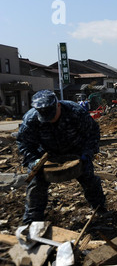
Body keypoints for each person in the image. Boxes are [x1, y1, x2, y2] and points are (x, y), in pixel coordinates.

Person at [17, 90, 106, 224]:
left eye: (52, 115)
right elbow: (24, 144)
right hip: (46, 155)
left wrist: (87, 153)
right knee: (36, 185)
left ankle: (100, 210)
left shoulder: (75, 112)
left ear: (58, 105)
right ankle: (32, 222)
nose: (50, 119)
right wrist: (33, 160)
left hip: (76, 150)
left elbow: (92, 133)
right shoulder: (31, 119)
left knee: (90, 180)